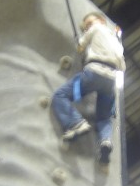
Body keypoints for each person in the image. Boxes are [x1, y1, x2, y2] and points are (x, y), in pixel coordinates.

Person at [52, 12, 125, 164]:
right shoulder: (116, 41)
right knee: (104, 117)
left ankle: (75, 123)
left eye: (89, 24)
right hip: (110, 81)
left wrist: (80, 42)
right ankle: (105, 141)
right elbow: (122, 66)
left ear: (101, 21)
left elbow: (80, 47)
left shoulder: (96, 28)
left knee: (61, 95)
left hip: (93, 74)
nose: (88, 27)